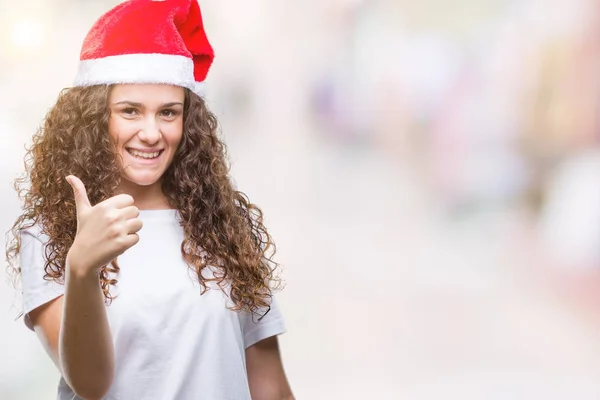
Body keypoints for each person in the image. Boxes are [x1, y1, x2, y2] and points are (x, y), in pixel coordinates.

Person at [4, 0, 294, 399]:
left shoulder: (225, 226)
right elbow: (89, 383)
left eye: (169, 113)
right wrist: (83, 267)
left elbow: (269, 384)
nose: (152, 132)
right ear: (94, 117)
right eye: (130, 111)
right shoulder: (50, 234)